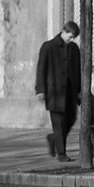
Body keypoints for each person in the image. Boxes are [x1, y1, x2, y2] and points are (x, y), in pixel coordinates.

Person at [35, 20, 82, 163]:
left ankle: (53, 138)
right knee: (58, 123)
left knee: (71, 118)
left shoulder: (74, 49)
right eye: (70, 36)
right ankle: (62, 153)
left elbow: (77, 71)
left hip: (70, 91)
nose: (72, 39)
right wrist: (40, 90)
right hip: (54, 92)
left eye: (74, 37)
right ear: (64, 31)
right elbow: (41, 69)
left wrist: (79, 91)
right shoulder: (48, 47)